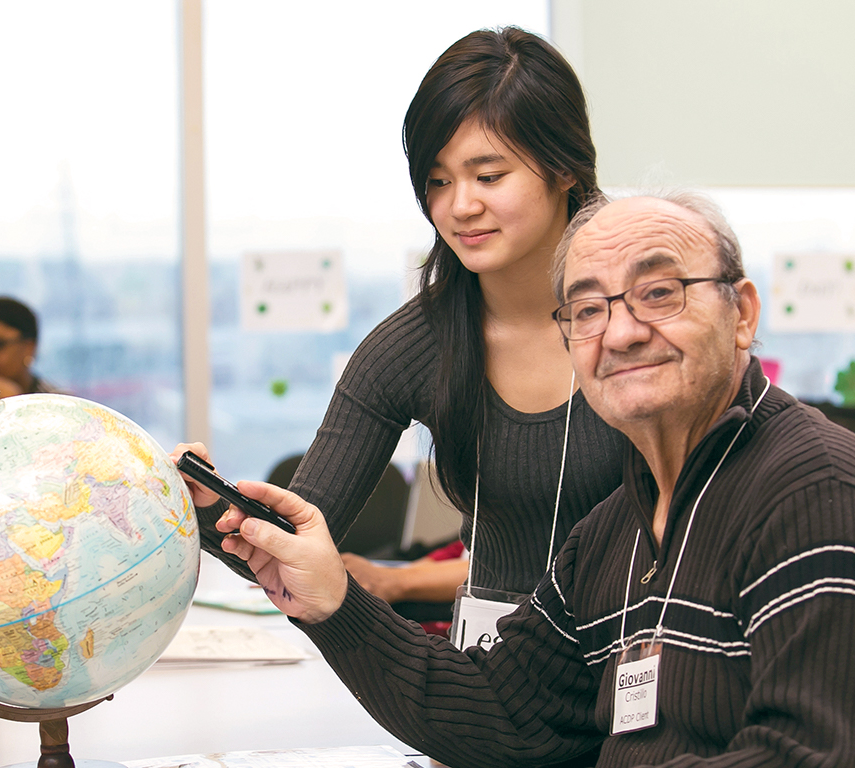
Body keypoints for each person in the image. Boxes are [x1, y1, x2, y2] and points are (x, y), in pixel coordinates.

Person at [210, 191, 855, 767]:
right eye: (586, 309)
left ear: (742, 314)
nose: (621, 331)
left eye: (659, 292)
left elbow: (798, 756)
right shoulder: (613, 532)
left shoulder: (821, 502)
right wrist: (334, 602)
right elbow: (502, 711)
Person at [177, 27, 624, 608]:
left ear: (564, 168)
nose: (460, 205)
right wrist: (206, 507)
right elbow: (295, 547)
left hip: (648, 667)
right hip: (496, 674)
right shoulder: (413, 345)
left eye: (489, 176)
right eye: (438, 181)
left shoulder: (645, 319)